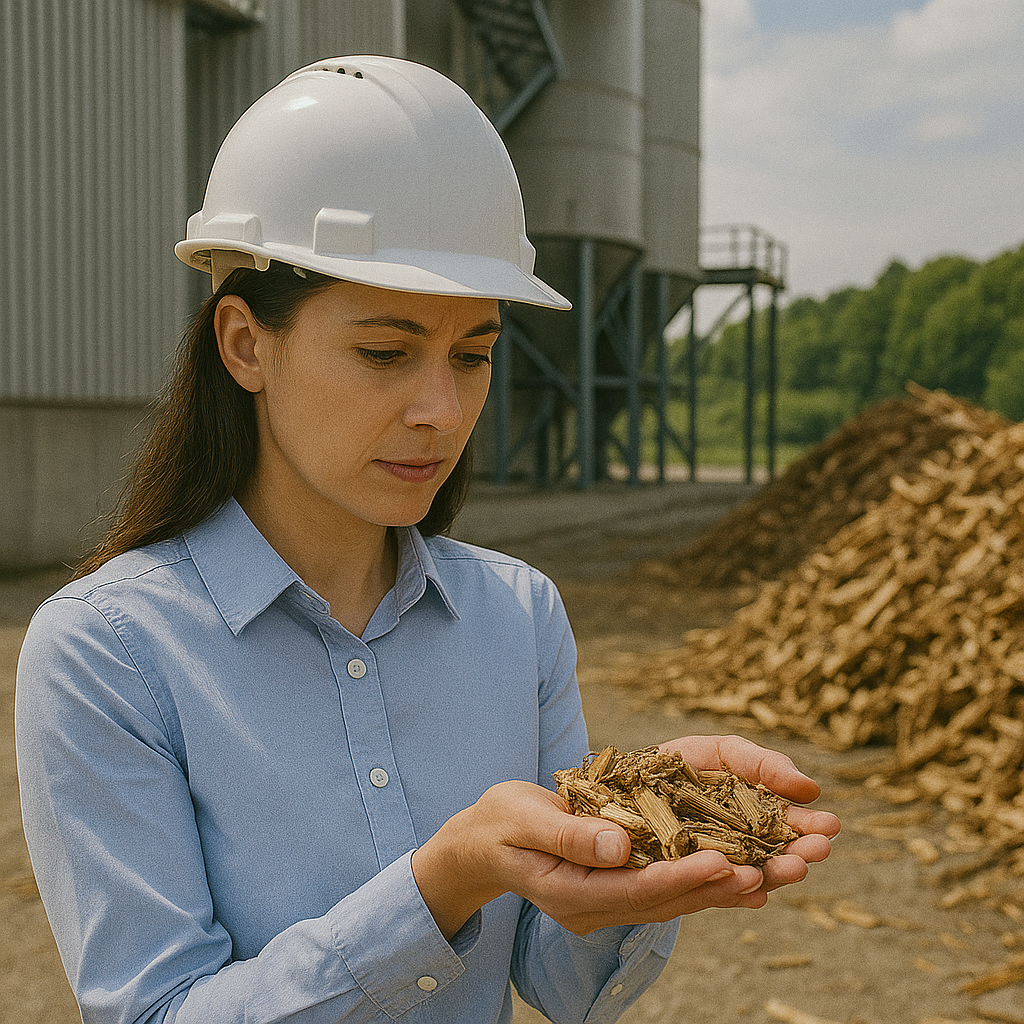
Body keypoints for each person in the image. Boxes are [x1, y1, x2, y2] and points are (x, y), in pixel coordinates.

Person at [15, 56, 840, 1024]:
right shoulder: (111, 649)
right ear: (245, 344)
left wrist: (652, 842)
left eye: (474, 355)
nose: (441, 411)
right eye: (384, 353)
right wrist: (439, 884)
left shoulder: (515, 611)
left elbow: (563, 984)